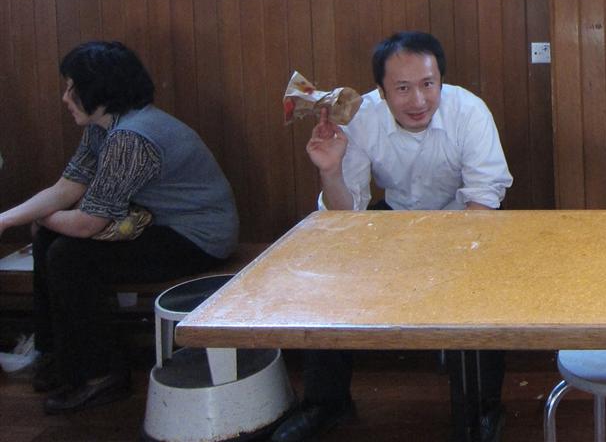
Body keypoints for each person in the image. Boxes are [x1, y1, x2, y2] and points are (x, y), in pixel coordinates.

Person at [272, 30, 513, 442]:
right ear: (381, 92)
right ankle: (326, 402)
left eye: (428, 84)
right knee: (327, 271)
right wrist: (330, 170)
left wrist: (448, 258)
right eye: (402, 88)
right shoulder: (362, 115)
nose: (418, 100)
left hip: (466, 219)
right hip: (395, 220)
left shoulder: (469, 111)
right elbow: (345, 216)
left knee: (482, 282)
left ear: (441, 80)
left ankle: (482, 407)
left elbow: (484, 199)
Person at [0, 40, 238, 414]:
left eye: (72, 88)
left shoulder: (132, 137)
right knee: (50, 239)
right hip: (158, 224)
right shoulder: (104, 126)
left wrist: (40, 217)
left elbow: (87, 223)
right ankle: (57, 354)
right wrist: (6, 220)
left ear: (100, 90)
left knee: (69, 255)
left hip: (198, 238)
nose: (65, 97)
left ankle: (100, 374)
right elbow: (66, 189)